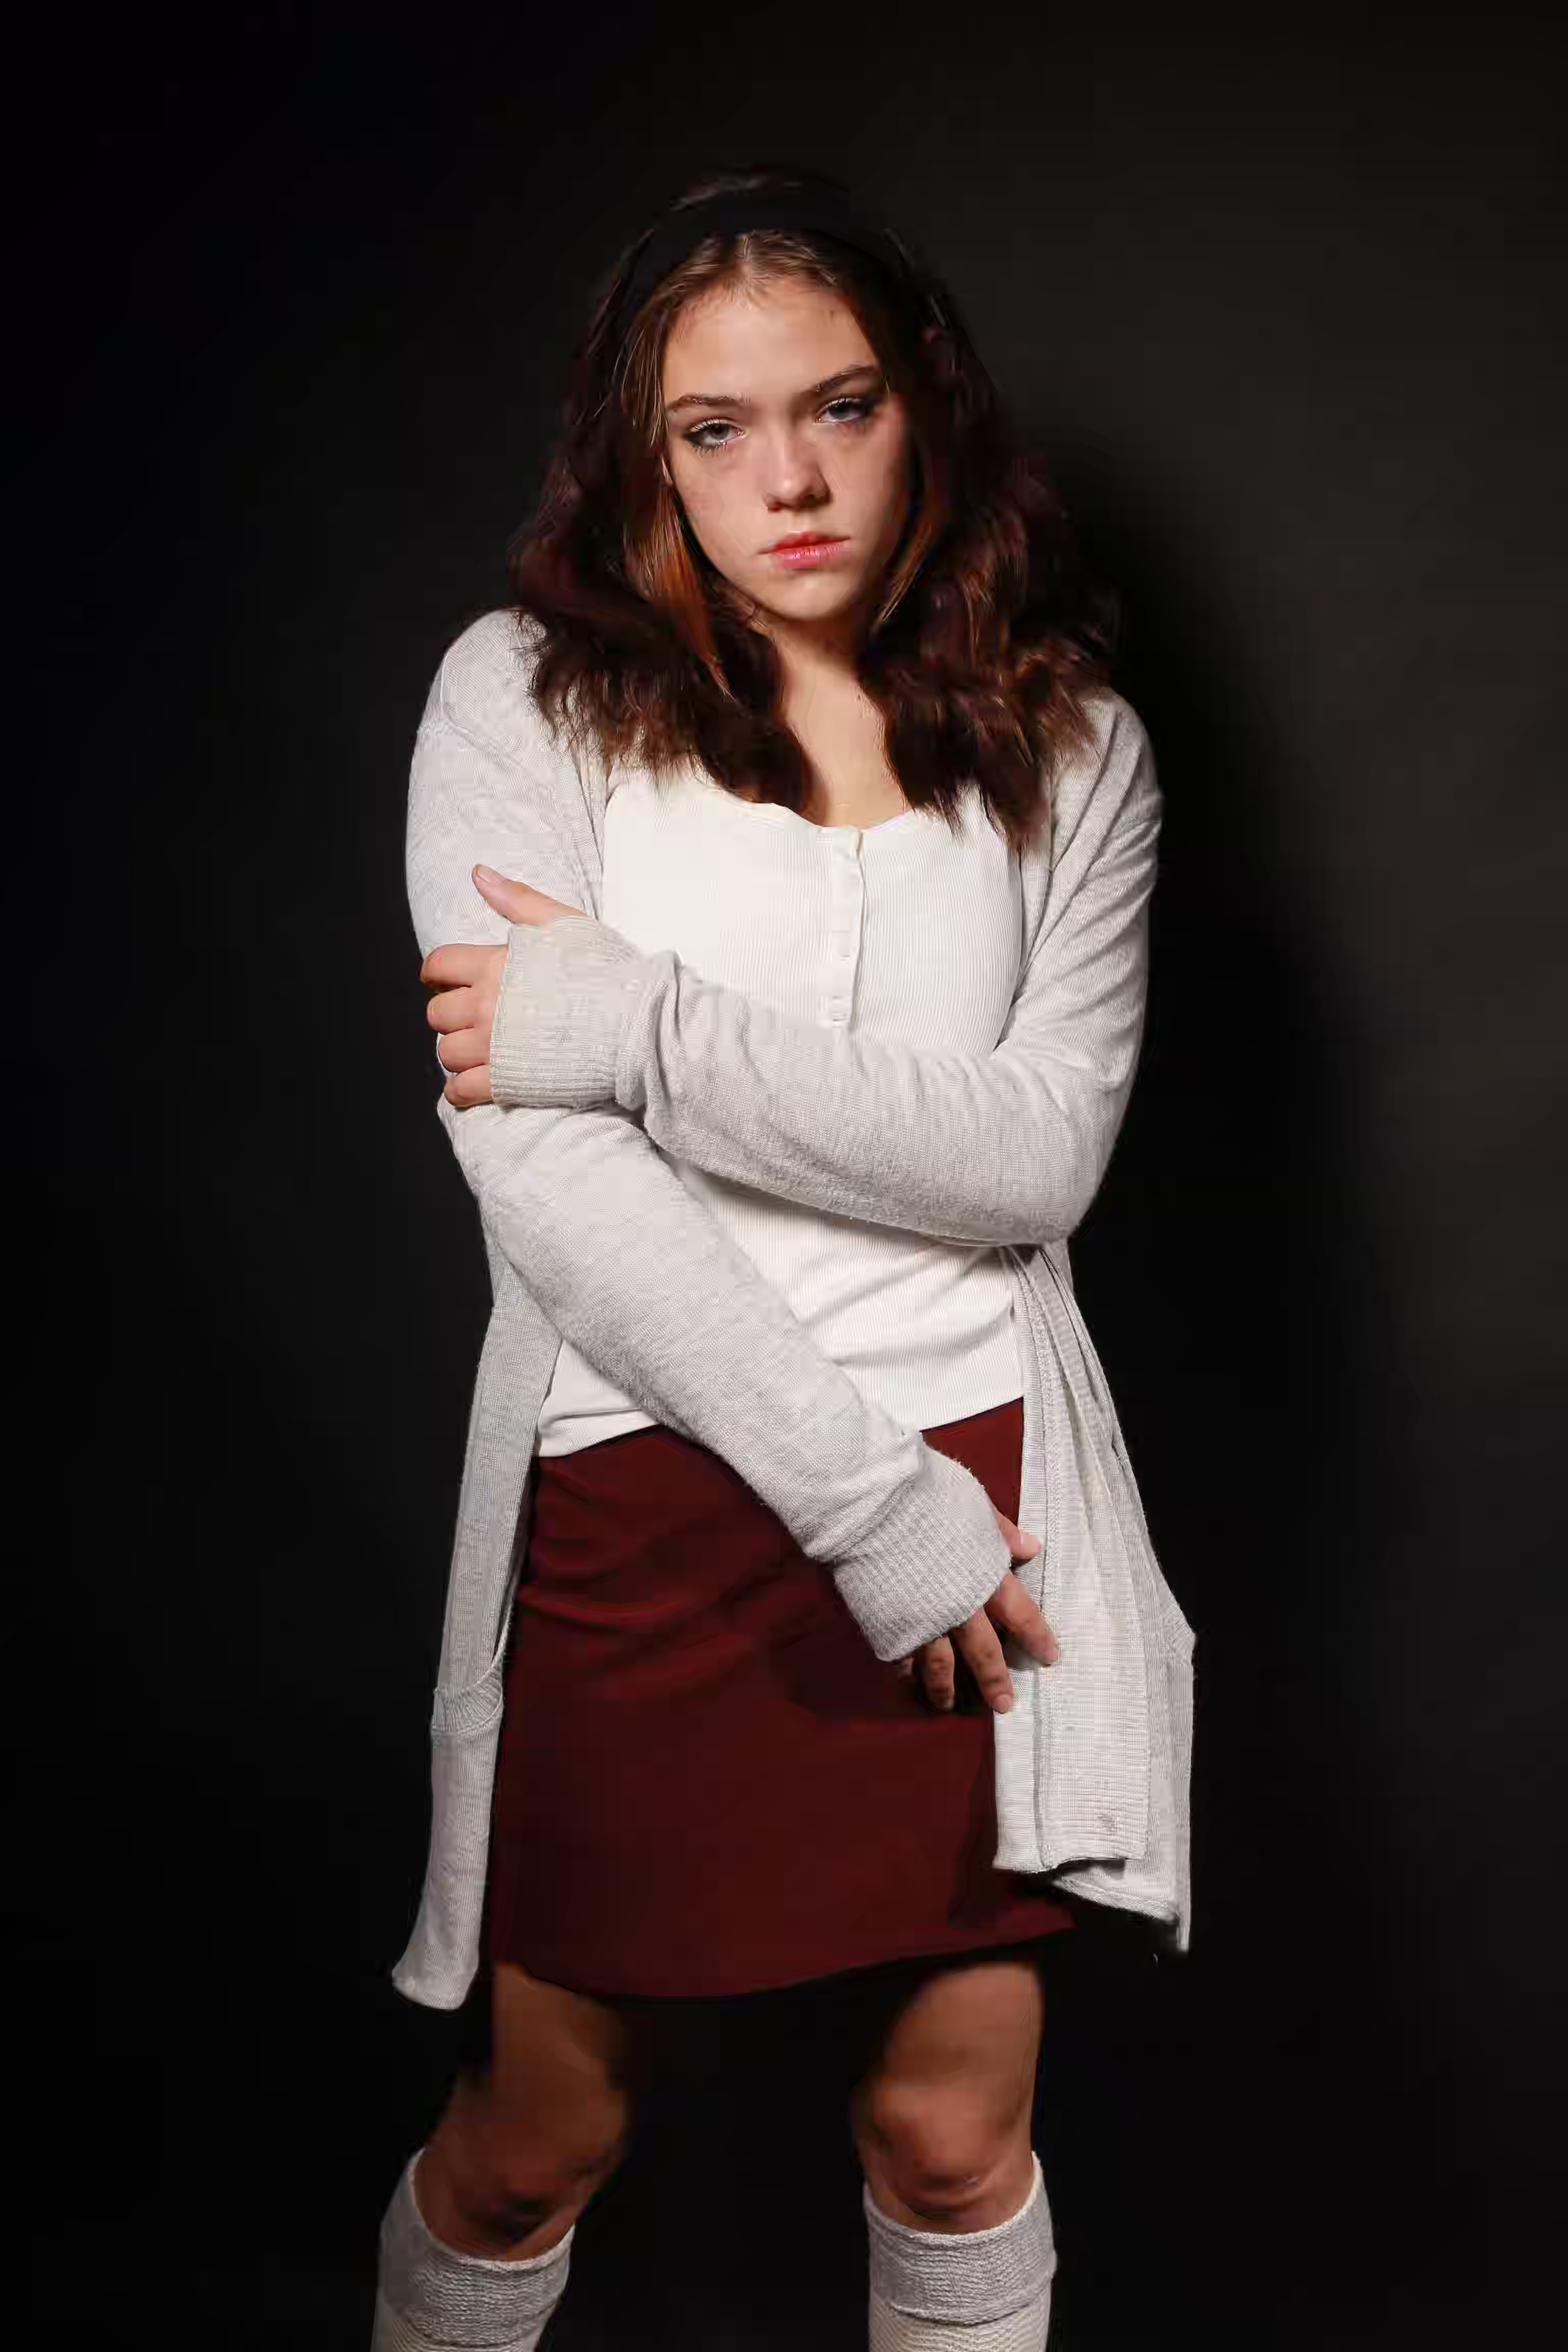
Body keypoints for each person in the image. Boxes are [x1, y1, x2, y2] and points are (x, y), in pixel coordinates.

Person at [374, 165, 1194, 2352]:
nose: (790, 480)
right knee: (537, 2138)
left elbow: (1039, 1158)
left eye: (839, 406)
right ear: (642, 453)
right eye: (714, 429)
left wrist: (642, 1027)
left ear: (926, 405)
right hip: (659, 1477)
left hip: (993, 1501)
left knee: (953, 2134)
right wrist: (864, 1503)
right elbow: (542, 1169)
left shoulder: (1074, 746)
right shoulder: (524, 697)